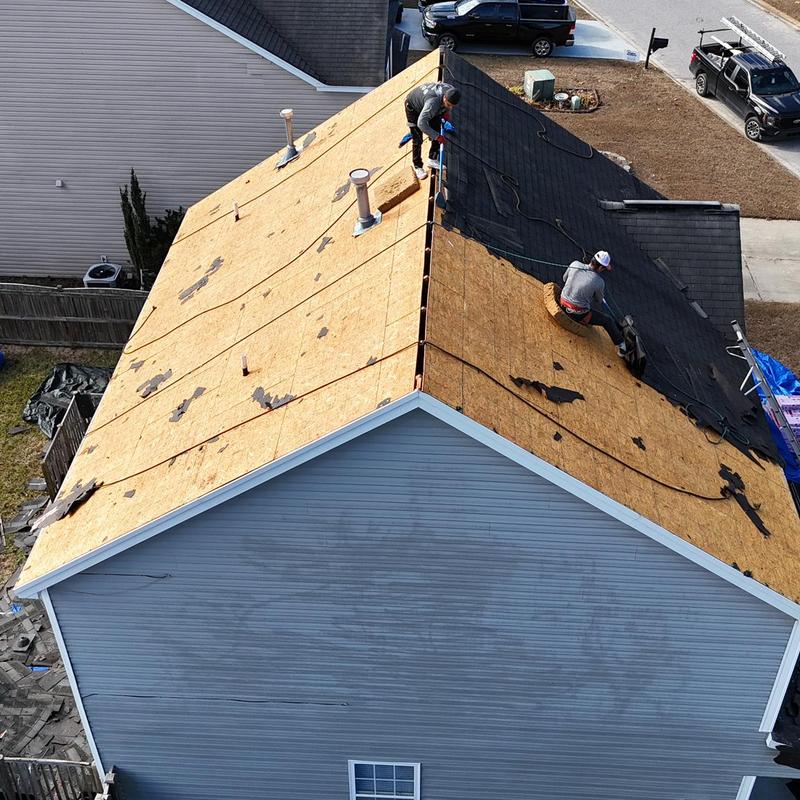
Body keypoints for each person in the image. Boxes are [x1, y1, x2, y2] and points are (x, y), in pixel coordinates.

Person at [559, 251, 628, 356]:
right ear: (600, 268)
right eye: (604, 269)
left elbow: (564, 279)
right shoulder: (599, 282)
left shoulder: (575, 264)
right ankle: (622, 347)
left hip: (562, 301)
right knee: (607, 320)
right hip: (576, 313)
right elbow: (598, 300)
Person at [404, 83, 461, 180]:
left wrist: (445, 112)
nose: (450, 108)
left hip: (426, 102)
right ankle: (418, 166)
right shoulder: (432, 103)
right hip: (413, 107)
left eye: (452, 106)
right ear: (444, 98)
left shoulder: (450, 90)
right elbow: (421, 124)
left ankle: (432, 159)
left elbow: (445, 106)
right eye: (448, 105)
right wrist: (437, 136)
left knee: (437, 126)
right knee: (417, 138)